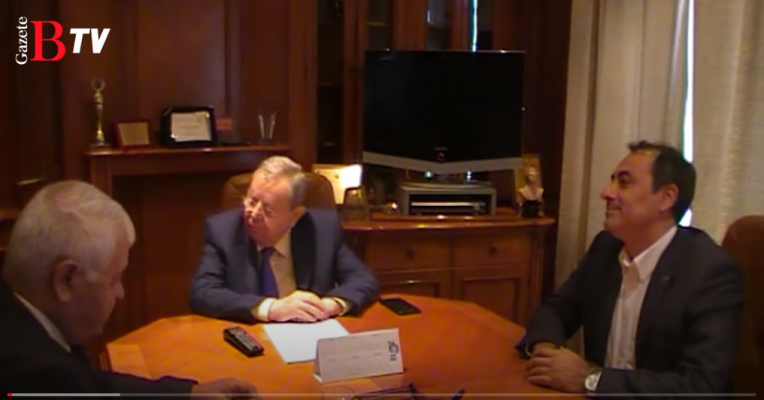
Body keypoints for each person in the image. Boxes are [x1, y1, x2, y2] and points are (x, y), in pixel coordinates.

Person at [516, 141, 743, 396]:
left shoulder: (710, 273)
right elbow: (557, 309)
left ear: (666, 198)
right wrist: (546, 351)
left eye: (624, 183)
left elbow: (701, 386)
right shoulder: (606, 247)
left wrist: (591, 380)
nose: (606, 193)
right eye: (612, 181)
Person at [0, 181, 258, 398]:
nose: (120, 293)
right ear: (66, 280)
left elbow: (92, 385)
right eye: (114, 279)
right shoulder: (37, 374)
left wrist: (190, 393)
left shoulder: (20, 316)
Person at [189, 156, 378, 324]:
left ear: (295, 216)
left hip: (310, 334)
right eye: (252, 201)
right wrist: (271, 309)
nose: (253, 214)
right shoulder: (223, 231)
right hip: (251, 337)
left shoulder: (322, 229)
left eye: (269, 210)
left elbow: (362, 279)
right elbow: (202, 293)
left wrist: (329, 305)